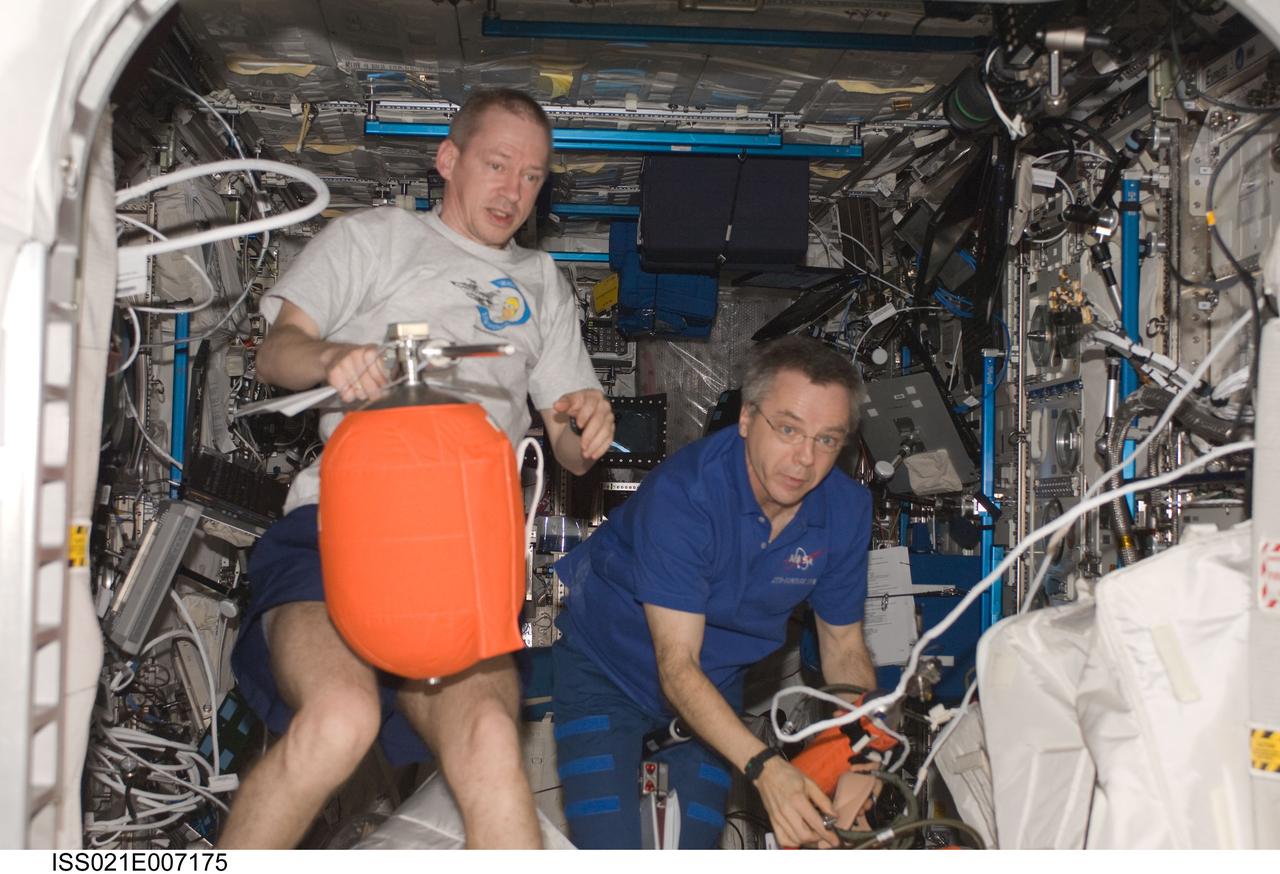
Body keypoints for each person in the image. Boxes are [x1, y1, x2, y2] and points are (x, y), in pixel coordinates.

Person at [221, 88, 615, 849]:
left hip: (464, 555)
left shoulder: (541, 282)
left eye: (533, 176)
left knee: (491, 741)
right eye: (497, 165)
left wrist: (585, 424)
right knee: (338, 720)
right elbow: (277, 353)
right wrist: (333, 358)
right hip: (344, 531)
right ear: (448, 159)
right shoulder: (375, 239)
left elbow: (568, 444)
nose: (514, 191)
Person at [552, 336, 874, 849]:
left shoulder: (844, 510)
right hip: (608, 669)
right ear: (746, 419)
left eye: (827, 440)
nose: (804, 458)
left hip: (714, 682)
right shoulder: (685, 495)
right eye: (788, 429)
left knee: (697, 848)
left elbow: (844, 646)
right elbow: (676, 665)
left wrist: (864, 755)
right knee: (608, 846)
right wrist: (765, 768)